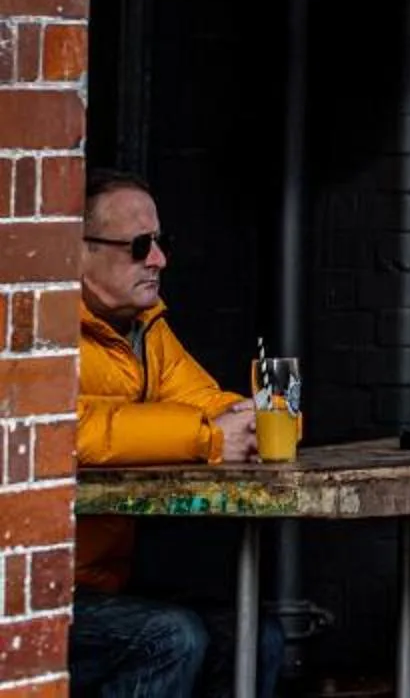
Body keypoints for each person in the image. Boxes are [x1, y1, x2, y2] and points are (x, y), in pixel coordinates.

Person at [72, 169, 284, 698]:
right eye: (140, 246)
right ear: (76, 250)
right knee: (170, 637)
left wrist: (260, 417)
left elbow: (205, 401)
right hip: (32, 592)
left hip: (103, 582)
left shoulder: (144, 330)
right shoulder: (35, 325)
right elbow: (74, 428)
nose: (159, 260)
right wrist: (209, 438)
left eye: (161, 243)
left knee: (255, 635)